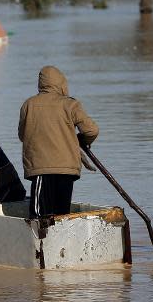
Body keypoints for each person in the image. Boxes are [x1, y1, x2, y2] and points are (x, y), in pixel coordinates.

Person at [19, 66, 98, 219]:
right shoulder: (70, 104)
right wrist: (81, 140)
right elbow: (91, 130)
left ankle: (41, 242)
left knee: (39, 217)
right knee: (62, 215)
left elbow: (23, 135)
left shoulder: (28, 105)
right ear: (62, 83)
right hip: (67, 170)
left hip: (41, 169)